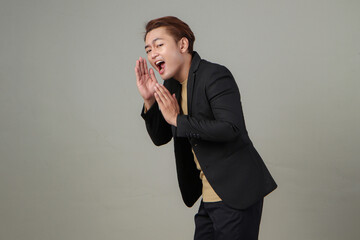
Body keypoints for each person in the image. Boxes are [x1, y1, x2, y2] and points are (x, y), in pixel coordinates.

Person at [135, 16, 277, 240]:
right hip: (209, 197)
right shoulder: (170, 85)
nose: (152, 54)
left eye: (159, 45)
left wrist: (178, 120)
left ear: (183, 45)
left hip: (236, 192)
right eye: (148, 49)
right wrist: (149, 101)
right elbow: (160, 137)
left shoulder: (214, 75)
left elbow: (231, 128)